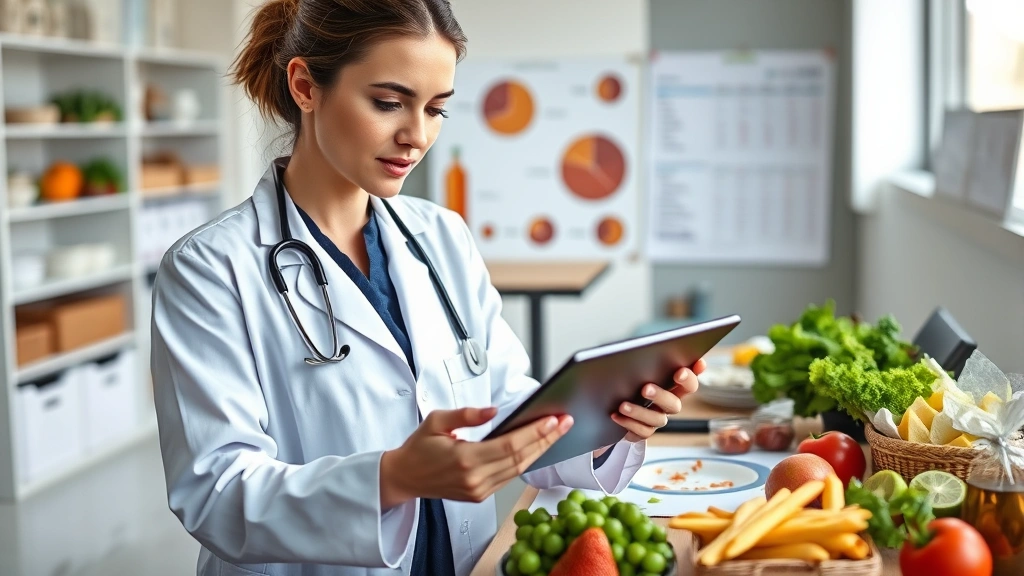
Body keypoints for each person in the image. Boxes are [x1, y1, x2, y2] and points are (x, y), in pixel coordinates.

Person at [150, 1, 705, 575]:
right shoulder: (209, 269)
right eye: (388, 103)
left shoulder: (440, 236)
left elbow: (505, 407)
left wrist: (602, 422)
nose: (416, 136)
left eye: (437, 110)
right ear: (305, 86)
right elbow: (215, 494)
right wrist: (391, 479)